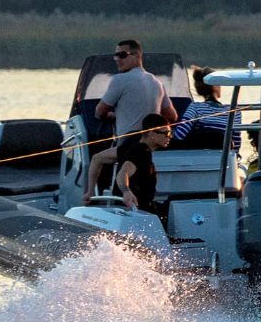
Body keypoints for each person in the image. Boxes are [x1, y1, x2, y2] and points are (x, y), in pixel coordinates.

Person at [84, 40, 177, 204]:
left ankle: (89, 195)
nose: (117, 59)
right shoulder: (157, 82)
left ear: (137, 55)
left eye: (122, 55)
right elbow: (172, 116)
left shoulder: (120, 80)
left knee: (97, 159)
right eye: (115, 55)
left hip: (129, 142)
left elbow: (99, 112)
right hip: (150, 144)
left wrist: (112, 116)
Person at [171, 65, 241, 150]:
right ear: (214, 86)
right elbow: (236, 145)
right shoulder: (234, 111)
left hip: (200, 159)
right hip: (225, 159)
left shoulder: (196, 107)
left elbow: (179, 135)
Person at [115, 114, 172, 212]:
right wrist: (126, 191)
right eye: (166, 133)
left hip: (142, 207)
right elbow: (123, 173)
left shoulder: (143, 151)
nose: (170, 136)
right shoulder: (140, 152)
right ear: (152, 134)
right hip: (136, 210)